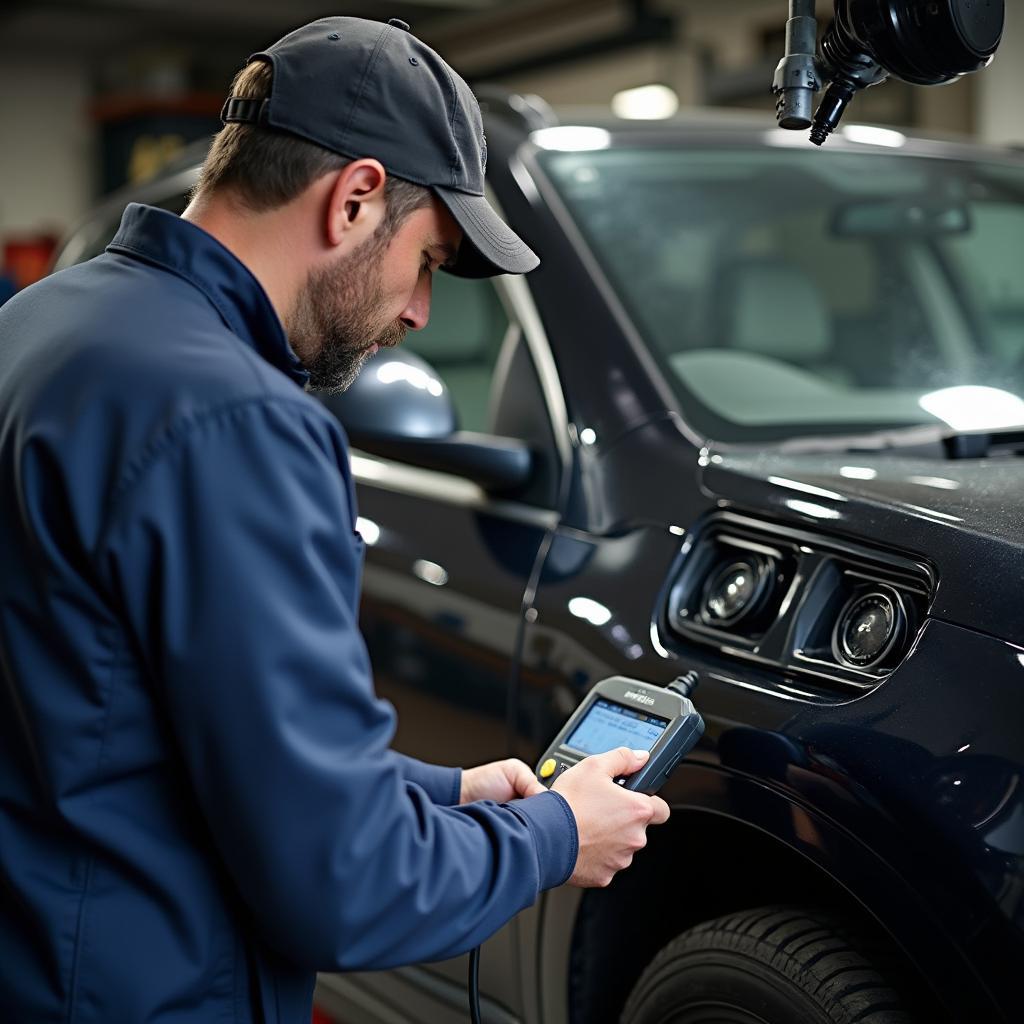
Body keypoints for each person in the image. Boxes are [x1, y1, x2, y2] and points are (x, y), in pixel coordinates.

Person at [0, 16, 669, 1023]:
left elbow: (128, 714)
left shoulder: (43, 320)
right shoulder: (243, 424)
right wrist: (556, 836)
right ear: (356, 198)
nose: (419, 314)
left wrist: (442, 795)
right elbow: (343, 885)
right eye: (430, 261)